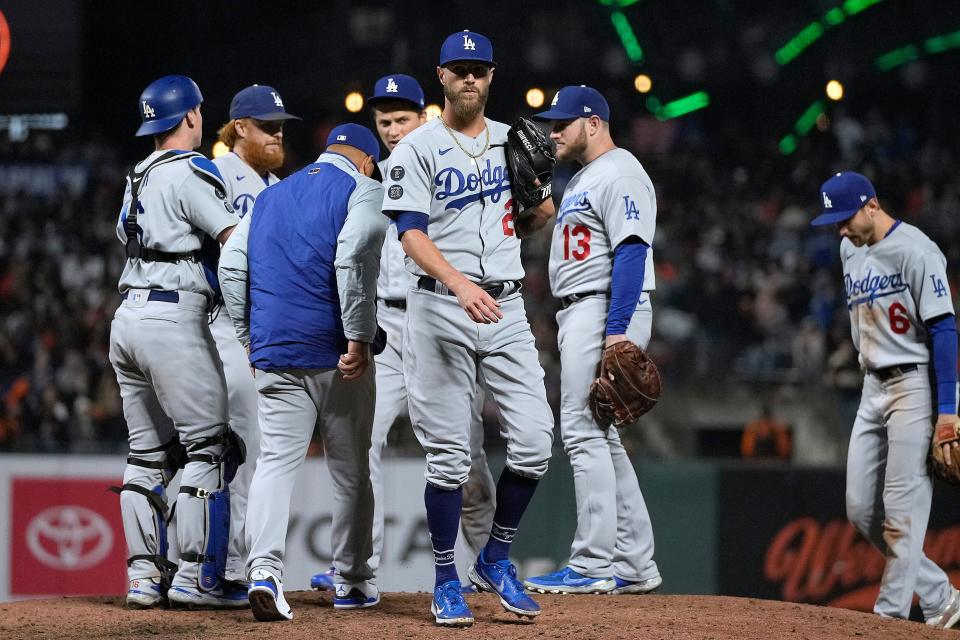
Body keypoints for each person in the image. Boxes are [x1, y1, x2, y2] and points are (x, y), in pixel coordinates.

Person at [380, 30, 556, 626]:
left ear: (491, 76)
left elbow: (535, 217)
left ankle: (497, 557)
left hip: (503, 307)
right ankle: (445, 578)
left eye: (478, 69)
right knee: (449, 460)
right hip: (438, 306)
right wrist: (459, 284)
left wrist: (539, 203)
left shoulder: (512, 141)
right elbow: (410, 232)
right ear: (442, 76)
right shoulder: (417, 147)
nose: (469, 78)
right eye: (459, 69)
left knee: (534, 441)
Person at [309, 73, 497, 593]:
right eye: (384, 122)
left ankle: (488, 565)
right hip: (384, 327)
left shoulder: (450, 170)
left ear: (425, 116)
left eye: (402, 119)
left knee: (466, 455)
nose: (392, 130)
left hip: (439, 322)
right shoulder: (363, 187)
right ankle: (354, 566)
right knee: (361, 442)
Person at [219, 124, 388, 621]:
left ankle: (264, 572)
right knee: (351, 468)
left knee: (273, 464)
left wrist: (250, 339)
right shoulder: (363, 188)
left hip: (274, 350)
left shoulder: (271, 194)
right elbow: (354, 256)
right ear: (366, 160)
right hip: (335, 351)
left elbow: (231, 266)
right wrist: (358, 337)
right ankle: (353, 582)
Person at [109, 74, 247, 609]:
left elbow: (129, 236)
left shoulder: (136, 173)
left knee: (145, 453)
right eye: (199, 110)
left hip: (128, 320)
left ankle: (144, 578)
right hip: (174, 319)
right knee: (208, 447)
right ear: (189, 115)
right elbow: (233, 246)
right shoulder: (192, 170)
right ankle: (192, 577)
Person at [521, 86, 662, 596]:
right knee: (600, 436)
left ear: (595, 123)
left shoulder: (622, 171)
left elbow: (629, 251)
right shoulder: (583, 177)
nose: (553, 131)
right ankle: (635, 561)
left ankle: (592, 562)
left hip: (604, 306)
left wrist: (617, 332)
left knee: (581, 432)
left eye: (563, 123)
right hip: (584, 307)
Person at [810, 171, 960, 628]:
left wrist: (949, 411)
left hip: (914, 385)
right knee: (860, 509)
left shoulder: (916, 249)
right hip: (871, 387)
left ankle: (887, 620)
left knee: (901, 509)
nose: (839, 228)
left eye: (844, 217)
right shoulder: (848, 249)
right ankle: (941, 597)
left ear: (871, 205)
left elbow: (944, 329)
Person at [212, 84, 300, 586]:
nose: (278, 131)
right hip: (221, 323)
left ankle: (219, 567)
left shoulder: (275, 186)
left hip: (252, 327)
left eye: (280, 124)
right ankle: (221, 567)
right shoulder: (217, 172)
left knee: (244, 451)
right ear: (239, 127)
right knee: (237, 449)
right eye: (267, 124)